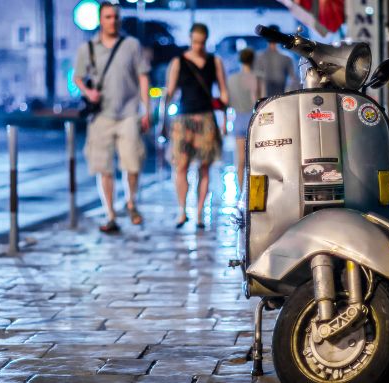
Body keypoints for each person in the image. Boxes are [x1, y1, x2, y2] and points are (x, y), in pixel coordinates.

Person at [73, 1, 151, 233]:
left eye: (116, 17)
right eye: (108, 17)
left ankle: (130, 202)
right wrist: (87, 92)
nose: (112, 21)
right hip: (101, 116)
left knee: (133, 162)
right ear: (100, 20)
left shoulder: (131, 45)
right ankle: (110, 215)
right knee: (103, 167)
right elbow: (78, 77)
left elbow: (143, 77)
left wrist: (146, 109)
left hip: (129, 112)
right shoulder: (88, 48)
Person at [163, 23, 228, 229]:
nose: (198, 46)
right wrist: (163, 122)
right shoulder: (178, 61)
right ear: (190, 39)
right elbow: (169, 92)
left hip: (206, 118)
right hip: (183, 120)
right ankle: (182, 211)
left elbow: (224, 92)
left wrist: (225, 118)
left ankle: (199, 213)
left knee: (205, 166)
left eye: (202, 42)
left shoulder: (214, 62)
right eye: (195, 42)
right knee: (181, 165)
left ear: (206, 40)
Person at [226, 48, 265, 194]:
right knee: (255, 159)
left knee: (240, 160)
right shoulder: (258, 77)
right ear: (253, 59)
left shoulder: (231, 79)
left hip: (238, 119)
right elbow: (262, 100)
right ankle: (254, 192)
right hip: (254, 120)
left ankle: (241, 193)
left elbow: (228, 102)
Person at [255, 25, 296, 96]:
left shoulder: (287, 57)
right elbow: (257, 78)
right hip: (265, 96)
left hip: (282, 96)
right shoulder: (259, 57)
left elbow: (292, 78)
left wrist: (288, 94)